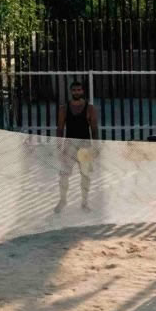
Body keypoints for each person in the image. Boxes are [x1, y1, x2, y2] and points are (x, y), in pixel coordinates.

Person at [56, 81, 100, 213]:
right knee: (64, 174)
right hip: (69, 146)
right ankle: (62, 201)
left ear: (82, 91)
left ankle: (84, 203)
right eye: (74, 90)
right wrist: (59, 146)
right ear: (71, 92)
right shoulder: (64, 108)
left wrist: (96, 146)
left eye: (79, 90)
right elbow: (60, 128)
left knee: (85, 175)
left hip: (85, 146)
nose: (77, 92)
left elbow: (94, 128)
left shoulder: (89, 108)